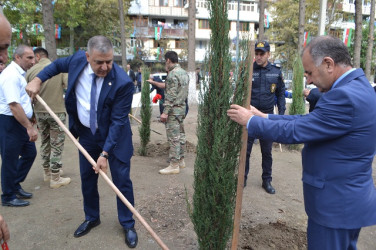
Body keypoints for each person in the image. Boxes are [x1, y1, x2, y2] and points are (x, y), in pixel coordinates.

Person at [227, 36, 376, 249]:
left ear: (328, 64)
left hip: (335, 206)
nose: (308, 80)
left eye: (309, 72)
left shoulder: (345, 96)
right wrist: (264, 117)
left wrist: (250, 121)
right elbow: (308, 121)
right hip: (346, 202)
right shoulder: (357, 87)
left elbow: (297, 130)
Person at [26, 36, 138, 248]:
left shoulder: (122, 83)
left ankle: (128, 223)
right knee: (87, 179)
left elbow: (117, 122)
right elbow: (57, 65)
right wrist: (38, 79)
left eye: (109, 61)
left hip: (115, 138)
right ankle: (92, 217)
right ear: (88, 57)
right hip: (87, 134)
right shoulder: (76, 61)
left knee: (121, 181)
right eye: (99, 62)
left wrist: (105, 154)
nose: (105, 67)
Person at [25, 47, 71, 188]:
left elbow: (28, 91)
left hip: (39, 112)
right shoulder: (57, 69)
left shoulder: (30, 71)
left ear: (38, 56)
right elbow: (67, 85)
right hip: (56, 111)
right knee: (56, 144)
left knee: (44, 142)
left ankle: (47, 172)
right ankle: (55, 177)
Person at [244, 41, 286, 194]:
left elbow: (280, 93)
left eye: (262, 54)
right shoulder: (249, 70)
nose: (259, 56)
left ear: (268, 54)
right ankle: (243, 178)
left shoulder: (276, 72)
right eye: (257, 53)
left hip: (267, 117)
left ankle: (266, 180)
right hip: (250, 117)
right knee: (245, 150)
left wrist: (281, 115)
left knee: (266, 151)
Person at [0, 44, 37, 207]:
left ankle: (14, 184)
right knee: (10, 159)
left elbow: (22, 100)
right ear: (17, 57)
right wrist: (29, 127)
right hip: (10, 122)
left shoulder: (19, 74)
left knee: (30, 153)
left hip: (20, 121)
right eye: (29, 58)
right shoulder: (10, 76)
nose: (33, 61)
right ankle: (8, 196)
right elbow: (14, 105)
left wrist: (31, 116)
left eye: (33, 57)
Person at [157, 51, 188, 174]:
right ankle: (181, 160)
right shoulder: (184, 73)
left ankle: (174, 165)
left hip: (173, 110)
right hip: (182, 109)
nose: (166, 64)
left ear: (168, 60)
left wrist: (165, 112)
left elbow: (170, 95)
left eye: (166, 61)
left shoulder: (172, 75)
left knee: (173, 138)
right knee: (181, 135)